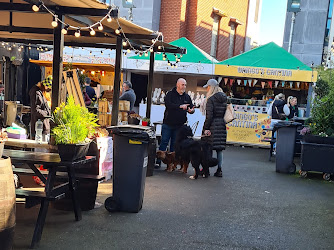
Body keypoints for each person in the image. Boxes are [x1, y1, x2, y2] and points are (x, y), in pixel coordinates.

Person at [155, 78, 195, 169]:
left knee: (175, 144)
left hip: (180, 125)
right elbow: (168, 105)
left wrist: (191, 110)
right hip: (168, 123)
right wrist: (180, 106)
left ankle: (173, 163)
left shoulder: (187, 97)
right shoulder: (170, 94)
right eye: (182, 85)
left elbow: (191, 107)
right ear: (177, 85)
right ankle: (158, 161)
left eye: (185, 85)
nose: (184, 87)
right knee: (164, 141)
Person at [200, 79, 227, 177]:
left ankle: (206, 169)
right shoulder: (224, 98)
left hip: (212, 125)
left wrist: (206, 128)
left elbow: (209, 116)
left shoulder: (210, 99)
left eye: (207, 87)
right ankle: (219, 170)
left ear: (211, 87)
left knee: (208, 148)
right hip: (221, 124)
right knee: (219, 149)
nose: (207, 89)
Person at [29, 75, 52, 141]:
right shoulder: (36, 93)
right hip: (40, 127)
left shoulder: (40, 93)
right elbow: (36, 110)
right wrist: (48, 114)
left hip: (44, 126)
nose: (48, 91)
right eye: (48, 89)